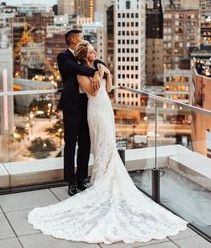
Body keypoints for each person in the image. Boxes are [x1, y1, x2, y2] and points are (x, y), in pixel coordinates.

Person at [28, 41, 187, 244]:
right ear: (86, 55)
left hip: (106, 109)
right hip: (94, 110)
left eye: (95, 50)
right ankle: (97, 179)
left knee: (108, 144)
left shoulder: (99, 66)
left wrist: (107, 75)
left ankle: (103, 176)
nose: (96, 53)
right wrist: (98, 74)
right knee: (100, 145)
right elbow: (93, 92)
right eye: (93, 51)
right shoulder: (82, 72)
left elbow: (109, 88)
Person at [57, 30, 104, 196]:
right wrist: (94, 73)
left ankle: (81, 178)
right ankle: (70, 181)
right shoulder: (64, 57)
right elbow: (73, 67)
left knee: (86, 143)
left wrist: (99, 68)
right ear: (72, 41)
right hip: (71, 106)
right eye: (81, 38)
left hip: (87, 105)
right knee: (70, 144)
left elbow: (97, 60)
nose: (84, 40)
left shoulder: (84, 56)